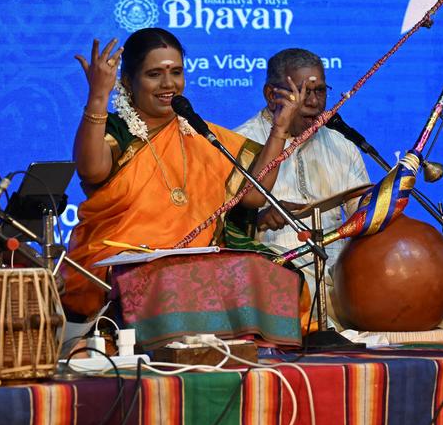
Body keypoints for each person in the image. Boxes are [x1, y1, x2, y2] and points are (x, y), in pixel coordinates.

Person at [63, 28, 303, 318]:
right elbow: (90, 170)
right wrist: (98, 96)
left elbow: (253, 195)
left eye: (176, 72)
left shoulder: (201, 134)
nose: (169, 84)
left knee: (280, 275)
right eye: (154, 74)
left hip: (195, 260)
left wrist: (279, 130)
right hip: (122, 261)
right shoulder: (117, 132)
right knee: (167, 282)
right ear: (127, 82)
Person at [234, 48, 370, 283]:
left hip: (343, 277)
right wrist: (259, 220)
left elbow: (362, 213)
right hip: (274, 278)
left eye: (320, 91)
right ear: (271, 94)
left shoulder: (341, 144)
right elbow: (224, 233)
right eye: (303, 92)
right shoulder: (241, 143)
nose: (315, 103)